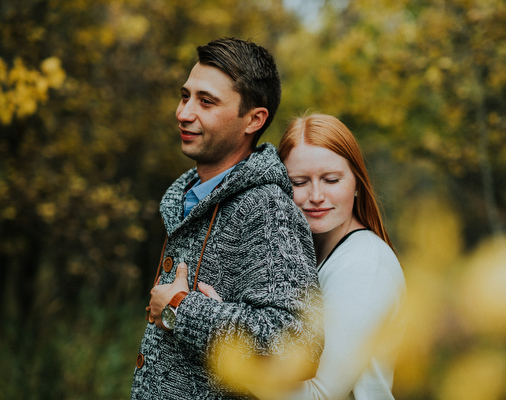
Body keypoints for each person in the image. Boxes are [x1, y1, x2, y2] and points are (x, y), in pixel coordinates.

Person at [130, 38, 323, 400]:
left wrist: (179, 309)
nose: (184, 113)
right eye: (185, 96)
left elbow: (297, 344)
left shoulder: (266, 209)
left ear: (254, 119)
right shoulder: (191, 200)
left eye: (206, 101)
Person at [271, 113, 406, 399]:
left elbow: (317, 394)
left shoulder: (364, 265)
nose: (316, 195)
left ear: (357, 183)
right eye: (299, 182)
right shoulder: (308, 256)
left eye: (331, 180)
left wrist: (224, 343)